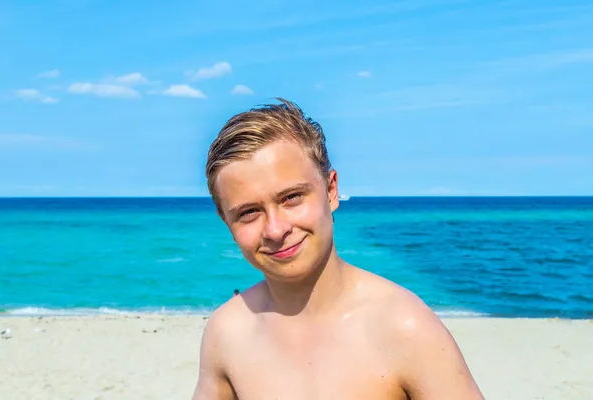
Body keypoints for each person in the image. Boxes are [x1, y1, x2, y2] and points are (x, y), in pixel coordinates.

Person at [192, 98, 484, 399]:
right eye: (248, 212)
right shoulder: (228, 333)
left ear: (331, 191)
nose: (276, 230)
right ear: (226, 222)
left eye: (292, 197)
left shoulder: (403, 327)